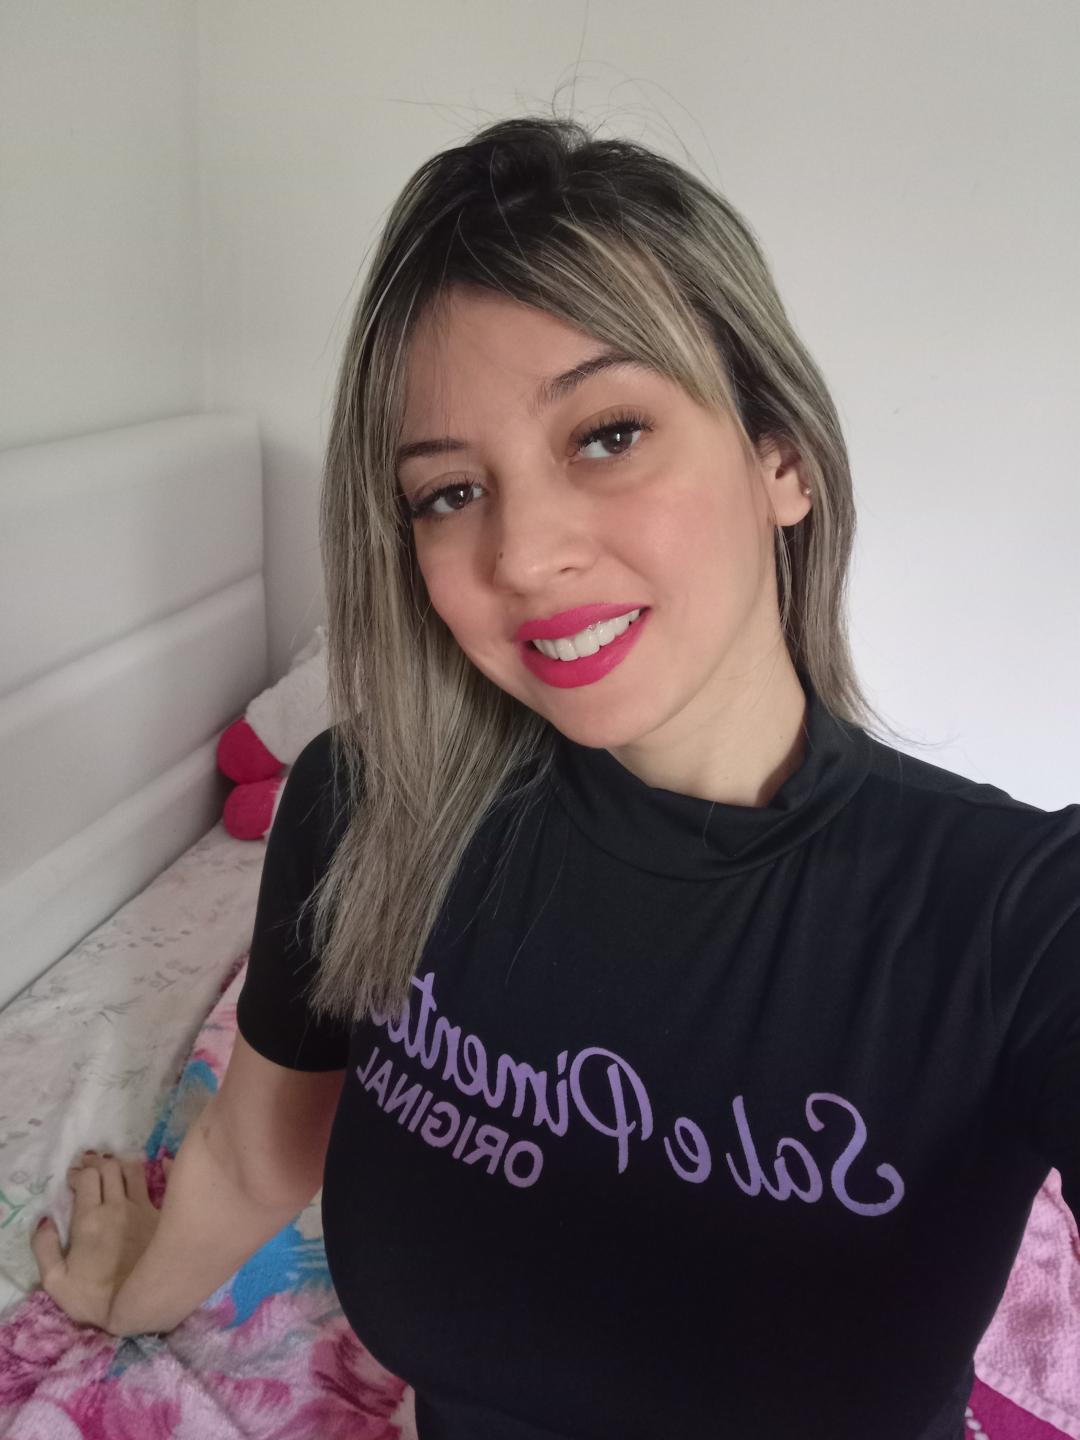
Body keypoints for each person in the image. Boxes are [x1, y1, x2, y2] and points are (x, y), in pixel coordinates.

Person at [32, 113, 1080, 1440]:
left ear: (783, 460)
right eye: (448, 494)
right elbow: (257, 1153)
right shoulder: (367, 810)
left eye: (607, 434)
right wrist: (130, 1294)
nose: (523, 557)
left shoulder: (1018, 921)